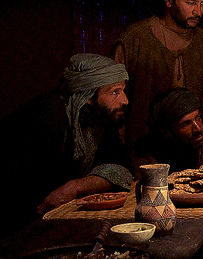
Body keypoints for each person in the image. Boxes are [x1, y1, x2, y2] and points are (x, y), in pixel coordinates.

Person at [1, 54, 133, 234]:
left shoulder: (100, 117)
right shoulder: (46, 117)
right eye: (115, 92)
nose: (125, 100)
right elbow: (31, 192)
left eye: (123, 91)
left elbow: (122, 168)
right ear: (87, 96)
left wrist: (74, 187)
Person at [112, 0, 203, 148]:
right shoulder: (135, 39)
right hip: (144, 147)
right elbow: (114, 99)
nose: (198, 11)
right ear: (169, 1)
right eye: (191, 3)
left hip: (192, 147)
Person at [133, 88, 203, 173]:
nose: (198, 129)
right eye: (186, 124)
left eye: (198, 118)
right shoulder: (149, 152)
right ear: (166, 132)